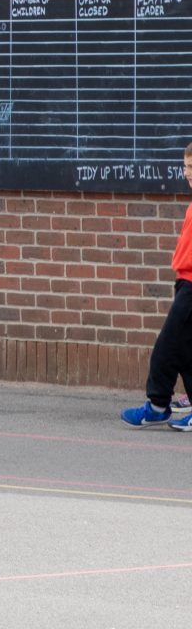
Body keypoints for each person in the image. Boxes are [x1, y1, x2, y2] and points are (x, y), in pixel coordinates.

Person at [122, 143, 192, 430]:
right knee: (185, 350)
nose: (188, 173)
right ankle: (160, 405)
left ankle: (157, 404)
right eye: (186, 167)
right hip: (184, 279)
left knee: (167, 345)